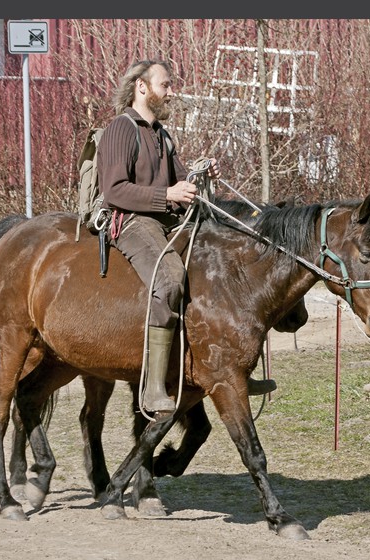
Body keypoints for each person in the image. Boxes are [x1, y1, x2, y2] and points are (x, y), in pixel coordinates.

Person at [97, 59, 275, 414]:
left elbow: (181, 183)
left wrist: (199, 174)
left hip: (165, 220)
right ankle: (152, 388)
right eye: (166, 84)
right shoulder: (121, 129)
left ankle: (230, 367)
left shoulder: (161, 134)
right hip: (131, 221)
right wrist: (168, 196)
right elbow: (114, 190)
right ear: (142, 88)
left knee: (219, 263)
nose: (171, 91)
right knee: (169, 280)